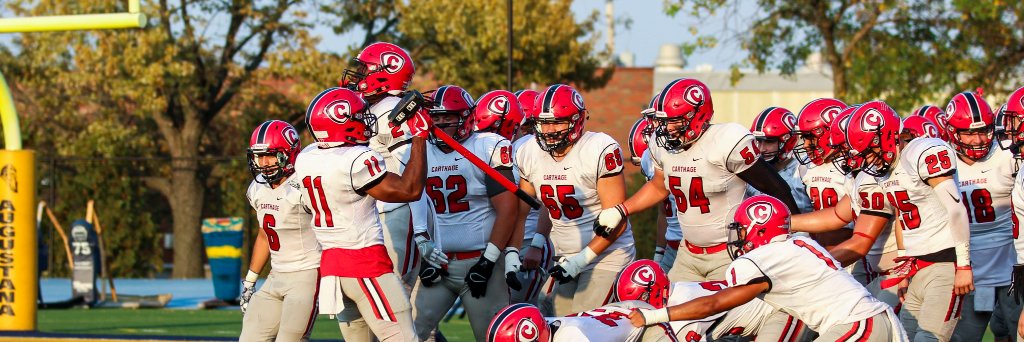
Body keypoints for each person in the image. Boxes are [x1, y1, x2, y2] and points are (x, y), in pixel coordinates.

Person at [628, 195, 904, 341]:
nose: (738, 240)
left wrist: (653, 317)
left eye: (741, 232)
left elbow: (713, 304)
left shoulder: (766, 258)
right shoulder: (796, 245)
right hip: (872, 321)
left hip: (856, 323)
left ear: (758, 228)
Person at [297, 87, 429, 342]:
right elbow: (410, 190)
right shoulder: (356, 159)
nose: (364, 120)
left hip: (333, 268)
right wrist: (419, 137)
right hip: (365, 265)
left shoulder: (307, 156)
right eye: (358, 116)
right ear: (340, 122)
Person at [844, 101, 973, 341]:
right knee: (905, 336)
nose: (868, 160)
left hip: (945, 262)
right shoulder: (887, 169)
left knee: (929, 338)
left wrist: (963, 264)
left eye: (871, 151)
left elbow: (955, 208)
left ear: (887, 137)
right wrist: (904, 270)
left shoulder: (921, 152)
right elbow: (903, 218)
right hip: (918, 266)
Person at [514, 84, 636, 315]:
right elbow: (535, 207)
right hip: (564, 257)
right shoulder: (527, 151)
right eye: (544, 122)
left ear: (577, 120)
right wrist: (524, 247)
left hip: (606, 257)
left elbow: (616, 219)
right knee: (555, 323)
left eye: (558, 122)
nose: (550, 129)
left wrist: (582, 259)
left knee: (584, 325)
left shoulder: (598, 148)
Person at [239, 120, 321, 341]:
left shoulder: (305, 186)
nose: (263, 163)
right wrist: (250, 281)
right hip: (275, 276)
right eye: (259, 156)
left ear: (289, 153)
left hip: (307, 274)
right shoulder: (257, 189)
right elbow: (265, 235)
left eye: (270, 155)